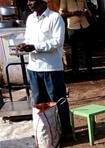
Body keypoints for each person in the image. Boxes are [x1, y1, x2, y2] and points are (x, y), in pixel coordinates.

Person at [17, 0, 72, 136]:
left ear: (43, 1)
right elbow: (29, 39)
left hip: (51, 67)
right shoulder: (30, 18)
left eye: (32, 0)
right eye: (28, 0)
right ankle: (46, 131)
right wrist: (24, 45)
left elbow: (57, 42)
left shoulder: (55, 18)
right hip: (34, 67)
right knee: (38, 102)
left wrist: (35, 47)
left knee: (58, 100)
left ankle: (66, 131)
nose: (29, 3)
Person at [59, 0, 93, 76]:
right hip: (72, 27)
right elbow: (61, 13)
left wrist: (86, 12)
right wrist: (74, 13)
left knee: (88, 48)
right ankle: (76, 71)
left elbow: (89, 12)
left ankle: (89, 69)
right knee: (74, 50)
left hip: (85, 25)